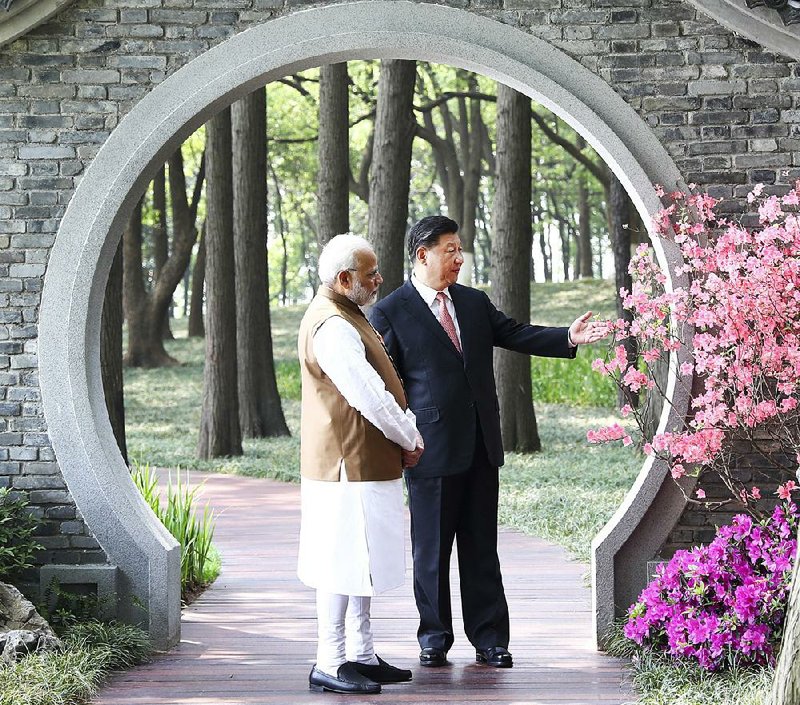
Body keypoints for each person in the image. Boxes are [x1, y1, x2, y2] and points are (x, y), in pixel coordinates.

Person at [369, 215, 609, 670]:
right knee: (431, 552)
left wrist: (568, 337)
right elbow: (387, 385)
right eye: (450, 249)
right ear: (423, 254)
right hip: (429, 449)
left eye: (461, 249)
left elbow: (516, 333)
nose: (459, 258)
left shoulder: (474, 303)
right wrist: (398, 439)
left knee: (481, 549)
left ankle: (490, 639)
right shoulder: (390, 311)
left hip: (481, 447)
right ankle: (434, 638)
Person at [297, 233, 424, 695]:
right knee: (340, 564)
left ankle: (361, 654)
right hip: (345, 467)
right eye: (371, 275)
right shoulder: (332, 326)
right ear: (344, 279)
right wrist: (410, 435)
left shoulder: (347, 313)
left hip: (359, 465)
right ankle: (330, 661)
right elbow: (370, 396)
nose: (379, 280)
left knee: (359, 562)